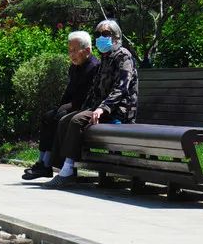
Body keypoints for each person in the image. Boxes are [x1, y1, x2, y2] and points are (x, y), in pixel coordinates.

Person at [45, 19, 138, 189]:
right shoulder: (105, 58)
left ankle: (67, 172)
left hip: (118, 110)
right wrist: (86, 108)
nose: (100, 38)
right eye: (98, 34)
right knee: (65, 119)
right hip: (99, 109)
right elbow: (95, 89)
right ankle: (64, 168)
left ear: (116, 36)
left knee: (76, 121)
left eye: (105, 34)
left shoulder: (123, 56)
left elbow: (121, 88)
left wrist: (103, 108)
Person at [22, 31, 99, 180]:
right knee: (48, 117)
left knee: (61, 118)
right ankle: (42, 162)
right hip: (73, 105)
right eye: (69, 51)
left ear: (87, 50)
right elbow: (69, 91)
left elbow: (87, 96)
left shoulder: (94, 67)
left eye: (75, 51)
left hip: (85, 108)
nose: (71, 54)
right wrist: (61, 106)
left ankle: (51, 164)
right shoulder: (75, 67)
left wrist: (67, 107)